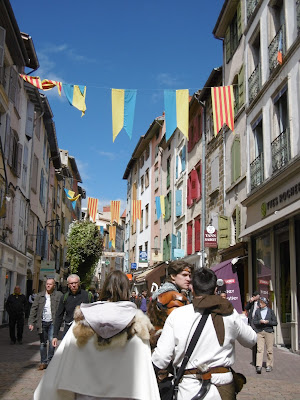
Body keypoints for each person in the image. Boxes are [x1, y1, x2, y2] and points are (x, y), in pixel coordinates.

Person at [34, 270, 160, 400]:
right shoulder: (138, 324)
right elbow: (143, 368)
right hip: (125, 393)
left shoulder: (83, 320)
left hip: (85, 393)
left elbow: (65, 357)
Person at [152, 267, 257, 400]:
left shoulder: (177, 315)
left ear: (192, 289)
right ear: (215, 290)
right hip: (223, 388)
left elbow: (161, 358)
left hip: (190, 389)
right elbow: (251, 340)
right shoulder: (229, 312)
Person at [148, 260, 192, 336]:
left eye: (189, 276)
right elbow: (178, 328)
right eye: (184, 275)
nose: (188, 279)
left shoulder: (162, 292)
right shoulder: (174, 297)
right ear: (173, 276)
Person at [28, 278, 63, 370]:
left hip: (53, 322)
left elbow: (63, 307)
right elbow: (33, 309)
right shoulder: (40, 296)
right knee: (43, 343)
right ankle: (43, 362)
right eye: (47, 284)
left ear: (54, 285)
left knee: (52, 342)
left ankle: (50, 361)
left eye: (50, 284)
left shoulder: (58, 295)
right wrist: (31, 322)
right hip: (42, 322)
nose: (48, 285)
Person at [52, 274, 93, 347]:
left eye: (76, 283)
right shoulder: (64, 297)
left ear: (79, 283)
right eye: (71, 283)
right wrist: (55, 336)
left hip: (83, 331)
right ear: (68, 285)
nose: (74, 285)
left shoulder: (87, 296)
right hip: (68, 331)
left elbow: (93, 315)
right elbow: (59, 316)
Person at [253, 297, 277, 374]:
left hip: (269, 332)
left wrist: (268, 322)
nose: (260, 304)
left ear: (265, 303)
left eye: (262, 302)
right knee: (259, 349)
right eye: (260, 302)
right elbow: (254, 321)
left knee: (269, 350)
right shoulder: (257, 311)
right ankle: (259, 366)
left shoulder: (270, 311)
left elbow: (275, 322)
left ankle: (269, 365)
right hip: (260, 332)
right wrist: (260, 322)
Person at [245, 290, 260, 365]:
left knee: (258, 344)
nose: (254, 297)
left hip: (259, 324)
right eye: (253, 296)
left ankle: (258, 361)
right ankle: (254, 361)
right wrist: (250, 301)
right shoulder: (252, 303)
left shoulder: (261, 303)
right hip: (252, 323)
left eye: (255, 296)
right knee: (254, 343)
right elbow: (246, 308)